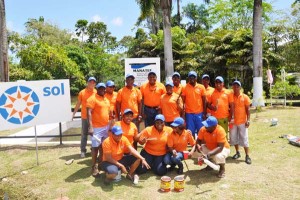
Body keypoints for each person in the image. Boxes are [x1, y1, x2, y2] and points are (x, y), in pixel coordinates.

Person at [86, 83, 111, 176]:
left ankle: (101, 164)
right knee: (95, 148)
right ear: (97, 89)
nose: (102, 90)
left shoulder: (106, 99)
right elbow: (88, 113)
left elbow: (108, 113)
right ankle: (94, 166)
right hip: (96, 128)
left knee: (103, 147)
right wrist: (90, 127)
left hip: (106, 127)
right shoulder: (92, 98)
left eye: (103, 89)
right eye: (100, 88)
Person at [72, 76, 97, 158]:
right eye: (90, 82)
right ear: (87, 83)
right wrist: (74, 113)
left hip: (94, 117)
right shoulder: (82, 92)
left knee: (94, 134)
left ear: (95, 84)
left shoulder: (96, 92)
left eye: (93, 82)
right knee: (84, 134)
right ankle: (83, 150)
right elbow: (78, 104)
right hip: (85, 117)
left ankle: (93, 149)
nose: (92, 83)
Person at [229, 80, 251, 164]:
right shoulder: (230, 97)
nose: (235, 88)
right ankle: (237, 152)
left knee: (244, 138)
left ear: (240, 87)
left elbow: (248, 110)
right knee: (233, 138)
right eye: (234, 86)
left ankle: (247, 156)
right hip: (233, 122)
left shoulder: (245, 97)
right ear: (232, 87)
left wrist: (248, 120)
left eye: (237, 86)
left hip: (242, 122)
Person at [182, 70, 207, 138]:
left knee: (201, 130)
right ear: (188, 78)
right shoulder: (184, 87)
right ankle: (193, 146)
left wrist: (204, 113)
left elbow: (204, 100)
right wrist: (183, 114)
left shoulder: (201, 87)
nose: (192, 78)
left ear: (196, 78)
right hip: (189, 113)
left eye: (193, 77)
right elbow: (182, 101)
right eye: (190, 77)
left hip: (199, 113)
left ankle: (200, 146)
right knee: (190, 131)